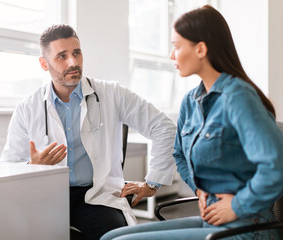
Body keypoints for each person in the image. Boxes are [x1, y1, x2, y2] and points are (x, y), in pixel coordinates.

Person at [101, 5, 283, 240]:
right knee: (109, 238)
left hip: (247, 225)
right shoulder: (190, 101)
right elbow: (179, 155)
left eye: (177, 46)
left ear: (200, 49)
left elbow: (276, 166)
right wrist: (200, 189)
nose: (171, 55)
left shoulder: (238, 97)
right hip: (211, 218)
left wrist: (237, 205)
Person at [0, 24, 177, 240]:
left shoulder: (112, 93)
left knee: (116, 237)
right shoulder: (28, 107)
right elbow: (7, 166)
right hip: (46, 196)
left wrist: (153, 182)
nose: (73, 62)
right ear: (44, 64)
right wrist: (31, 168)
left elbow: (164, 127)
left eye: (76, 53)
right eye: (62, 56)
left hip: (96, 197)